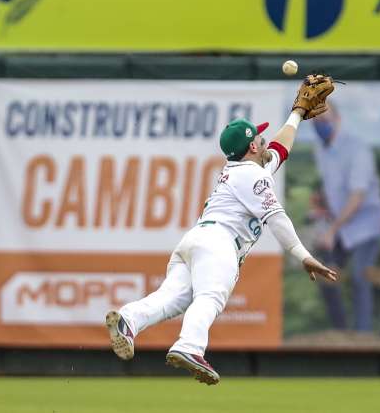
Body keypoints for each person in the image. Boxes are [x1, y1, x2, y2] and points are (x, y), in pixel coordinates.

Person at [105, 75, 338, 385]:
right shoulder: (255, 178)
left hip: (194, 240)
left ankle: (129, 320)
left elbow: (280, 148)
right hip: (220, 244)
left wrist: (296, 113)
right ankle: (189, 346)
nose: (265, 140)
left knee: (171, 299)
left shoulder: (243, 170)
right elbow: (277, 217)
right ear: (253, 145)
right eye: (259, 137)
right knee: (210, 297)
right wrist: (303, 255)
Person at [310, 102, 380, 332]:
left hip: (368, 224)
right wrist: (322, 207)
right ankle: (341, 334)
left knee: (359, 276)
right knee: (324, 273)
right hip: (343, 227)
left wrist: (332, 230)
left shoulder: (357, 149)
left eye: (325, 119)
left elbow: (357, 197)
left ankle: (364, 337)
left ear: (338, 119)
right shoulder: (320, 149)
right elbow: (334, 190)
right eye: (316, 120)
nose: (321, 125)